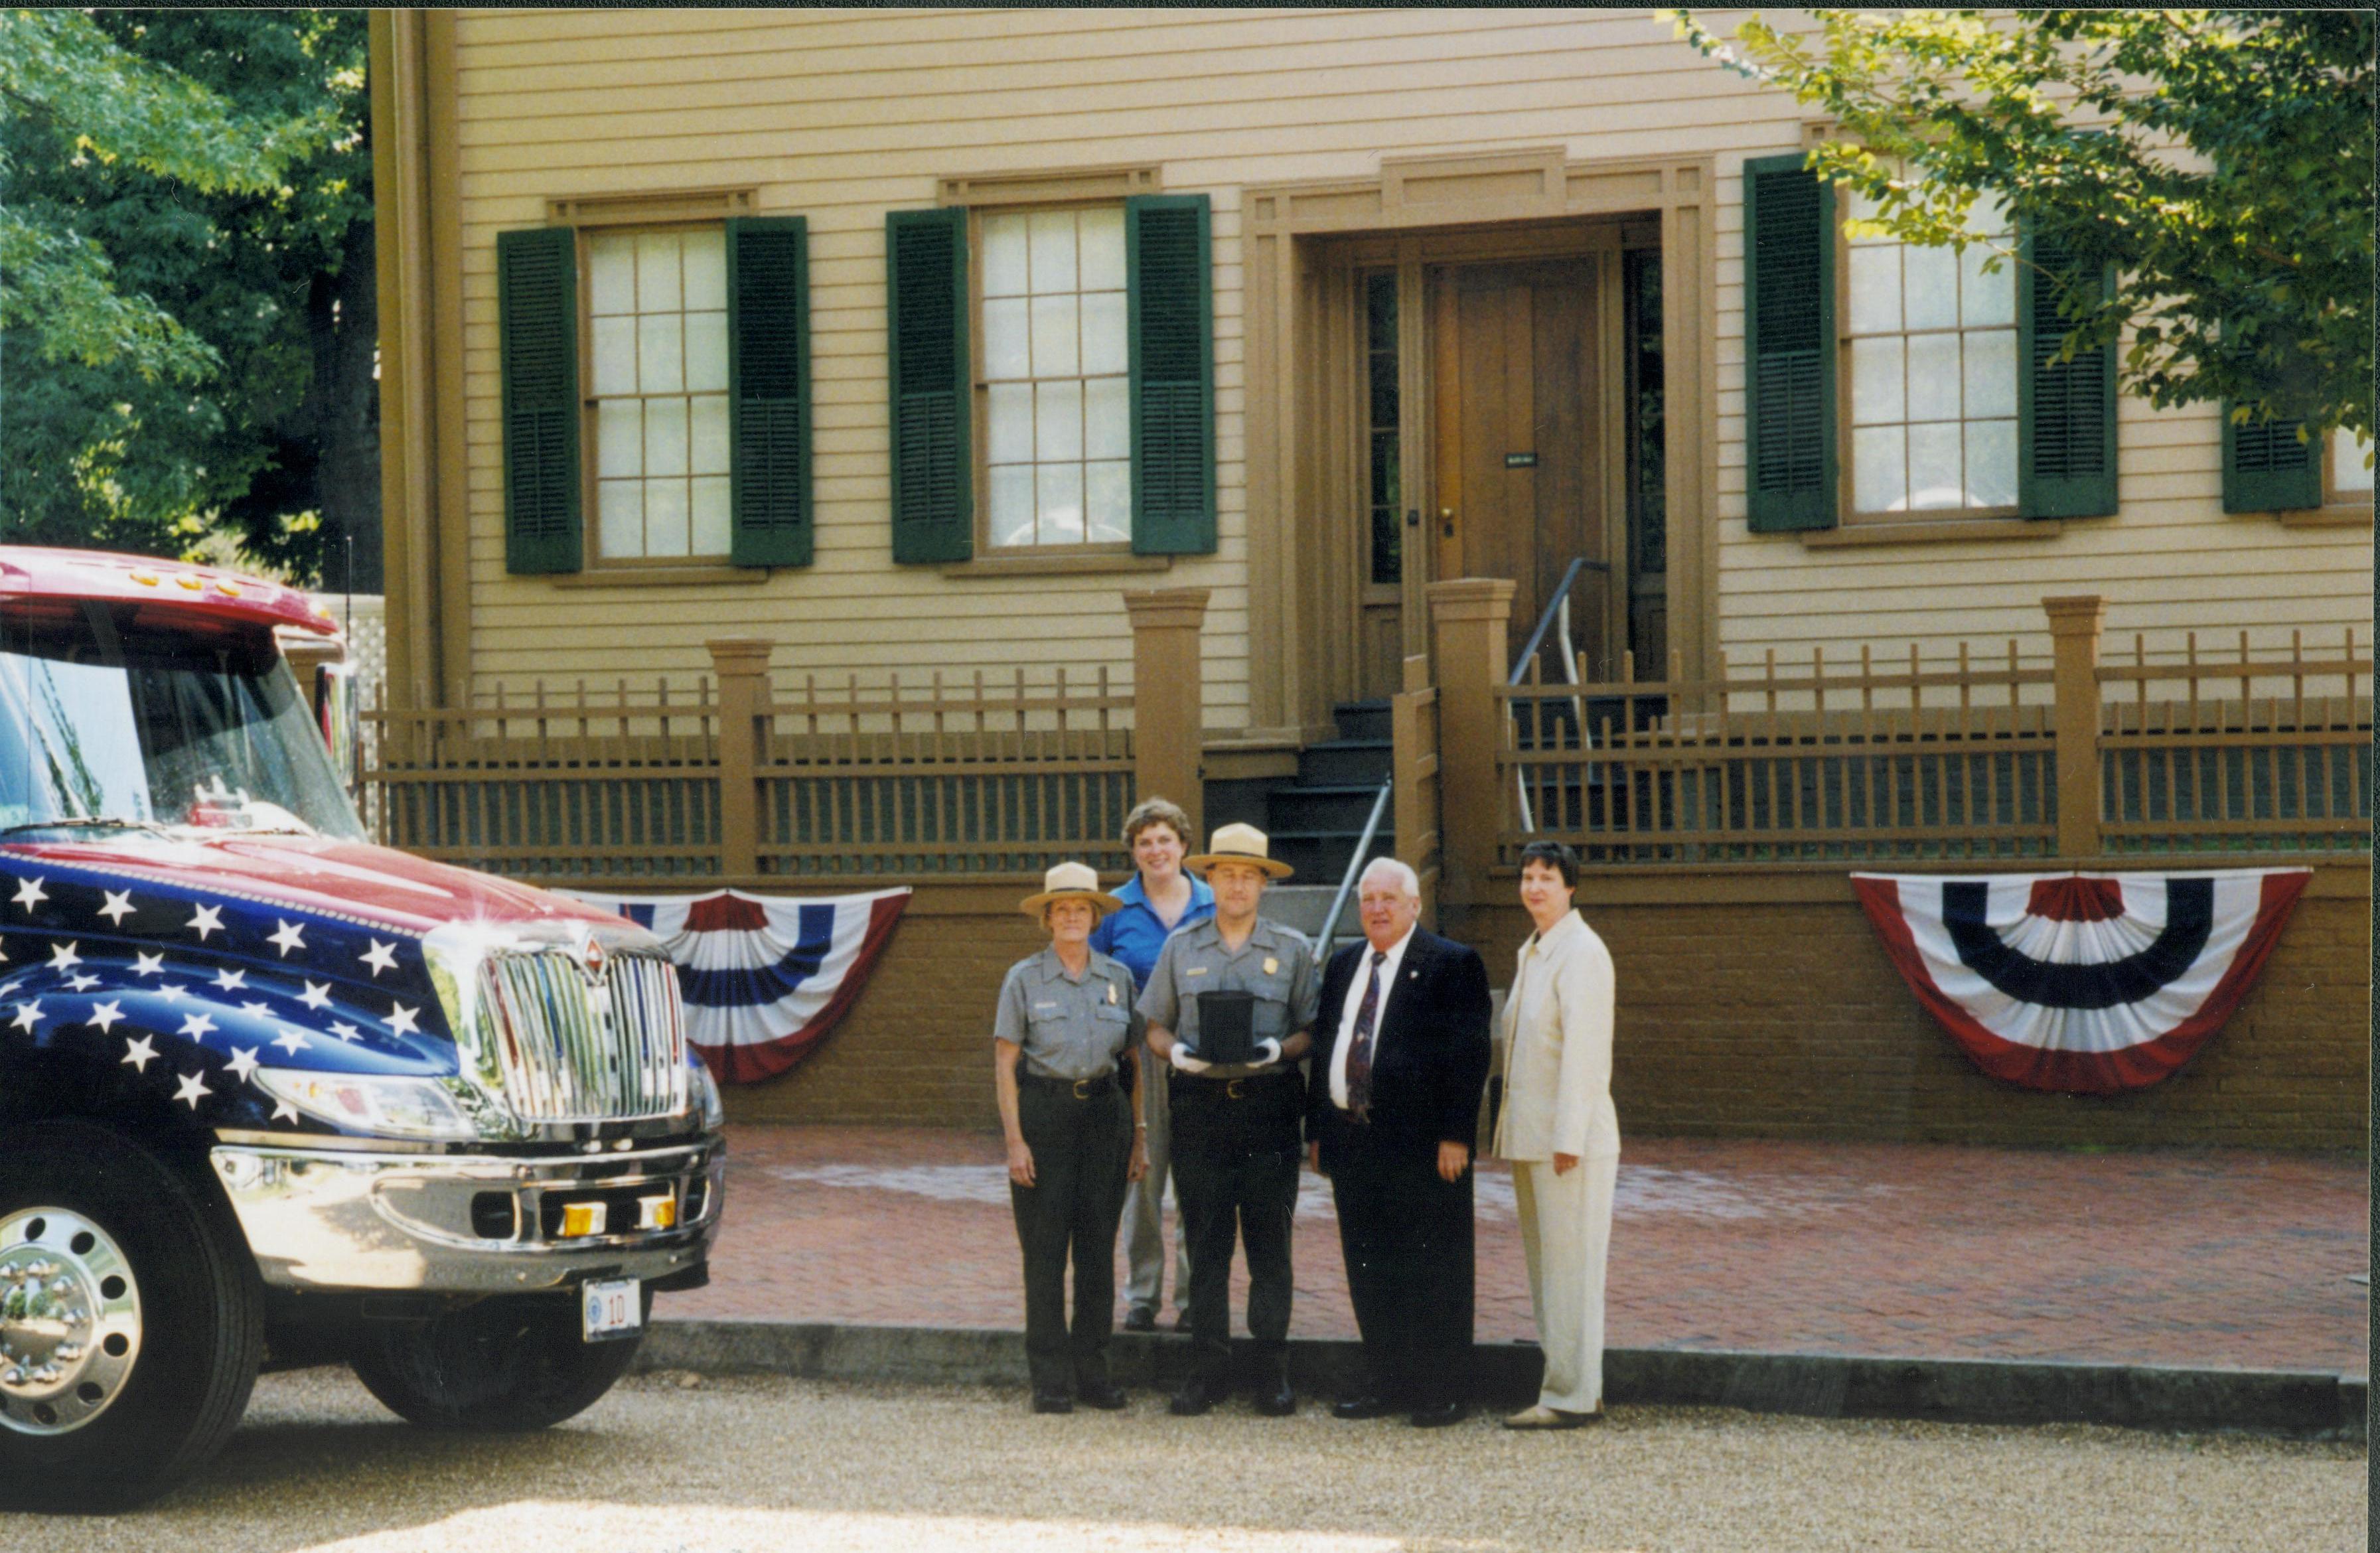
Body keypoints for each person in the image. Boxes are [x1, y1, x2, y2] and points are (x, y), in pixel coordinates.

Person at [1138, 822, 1319, 1417]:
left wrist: (1280, 1052)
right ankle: (1206, 1372)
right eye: (1226, 873)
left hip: (1268, 1110)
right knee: (1207, 1245)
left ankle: (1272, 1372)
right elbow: (1155, 1024)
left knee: (1271, 1245)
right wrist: (1175, 1053)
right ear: (1209, 877)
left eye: (1249, 875)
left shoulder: (1292, 949)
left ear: (1264, 883)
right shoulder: (1181, 947)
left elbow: (1312, 1030)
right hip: (1201, 1110)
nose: (1237, 885)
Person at [1306, 855, 1493, 1428]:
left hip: (1423, 1147)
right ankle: (1385, 1379)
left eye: (1390, 898)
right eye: (1368, 899)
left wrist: (1457, 1135)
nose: (1378, 908)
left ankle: (1441, 1388)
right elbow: (1326, 1048)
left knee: (1434, 1267)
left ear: (1415, 905)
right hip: (1353, 1141)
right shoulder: (1342, 965)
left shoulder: (1450, 964)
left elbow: (1469, 1056)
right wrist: (1317, 1130)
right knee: (1370, 1266)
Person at [993, 861, 1149, 1414]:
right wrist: (1015, 1141)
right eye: (1062, 909)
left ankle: (1093, 1373)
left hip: (1105, 1117)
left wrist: (1139, 1138)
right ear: (1048, 918)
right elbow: (1006, 1064)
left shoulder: (1117, 978)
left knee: (1097, 1252)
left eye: (1082, 909)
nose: (1072, 918)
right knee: (1044, 1251)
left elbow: (1132, 1063)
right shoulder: (1024, 979)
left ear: (1095, 917)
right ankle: (1050, 1378)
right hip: (1046, 1115)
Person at [1491, 839, 1619, 1430]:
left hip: (1569, 1143)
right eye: (1527, 876)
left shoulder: (1583, 953)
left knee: (1571, 1269)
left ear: (1571, 887)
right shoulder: (1536, 951)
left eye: (1547, 877)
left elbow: (1587, 1057)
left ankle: (1569, 1394)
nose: (1534, 887)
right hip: (1532, 1136)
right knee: (1550, 1269)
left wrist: (1568, 1136)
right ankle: (1573, 1386)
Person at [1088, 797, 1213, 1334]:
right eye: (1144, 842)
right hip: (1138, 1061)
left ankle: (1192, 1296)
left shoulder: (1213, 901)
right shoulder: (1114, 910)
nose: (1155, 850)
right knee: (1142, 1176)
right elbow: (1092, 977)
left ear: (1183, 844)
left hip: (1201, 1057)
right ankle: (1142, 1294)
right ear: (1133, 853)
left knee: (1196, 1178)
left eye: (1165, 839)